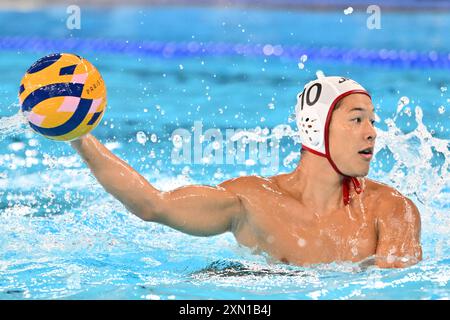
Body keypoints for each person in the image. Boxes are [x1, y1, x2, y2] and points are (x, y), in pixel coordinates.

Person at [70, 76, 422, 268]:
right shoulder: (251, 202)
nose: (372, 131)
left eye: (373, 121)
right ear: (318, 128)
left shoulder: (391, 210)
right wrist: (79, 137)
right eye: (357, 119)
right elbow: (153, 205)